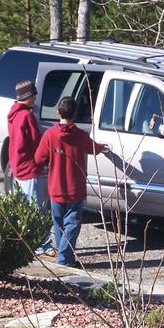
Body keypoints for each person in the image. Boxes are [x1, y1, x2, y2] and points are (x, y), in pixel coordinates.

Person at [34, 96, 107, 266]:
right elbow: (93, 149)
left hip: (55, 187)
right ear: (74, 114)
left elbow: (38, 158)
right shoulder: (80, 135)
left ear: (58, 112)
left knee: (59, 224)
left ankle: (64, 256)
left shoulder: (49, 135)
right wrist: (102, 147)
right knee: (72, 224)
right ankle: (64, 259)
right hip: (75, 188)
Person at [7, 80, 54, 255]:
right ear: (27, 96)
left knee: (25, 207)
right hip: (29, 169)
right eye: (33, 95)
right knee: (37, 209)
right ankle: (42, 245)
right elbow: (34, 142)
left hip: (18, 167)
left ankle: (27, 242)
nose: (35, 98)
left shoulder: (14, 114)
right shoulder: (25, 116)